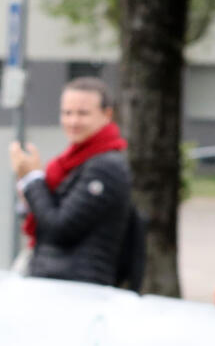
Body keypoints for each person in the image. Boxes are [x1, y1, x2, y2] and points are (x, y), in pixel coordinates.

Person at [9, 77, 132, 285]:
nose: (73, 122)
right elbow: (48, 216)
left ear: (107, 115)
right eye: (67, 113)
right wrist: (30, 193)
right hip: (60, 281)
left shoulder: (105, 167)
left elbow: (60, 228)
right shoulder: (74, 161)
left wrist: (32, 179)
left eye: (83, 113)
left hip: (78, 287)